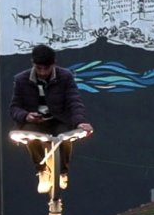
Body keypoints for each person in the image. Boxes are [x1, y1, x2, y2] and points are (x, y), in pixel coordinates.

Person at [9, 44, 92, 194]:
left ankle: (62, 172)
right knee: (30, 135)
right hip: (35, 122)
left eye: (46, 68)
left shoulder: (65, 76)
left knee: (65, 137)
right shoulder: (21, 79)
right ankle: (42, 170)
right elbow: (15, 107)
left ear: (53, 64)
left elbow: (74, 101)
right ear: (33, 64)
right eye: (39, 68)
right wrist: (26, 116)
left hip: (59, 119)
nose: (42, 72)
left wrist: (80, 122)